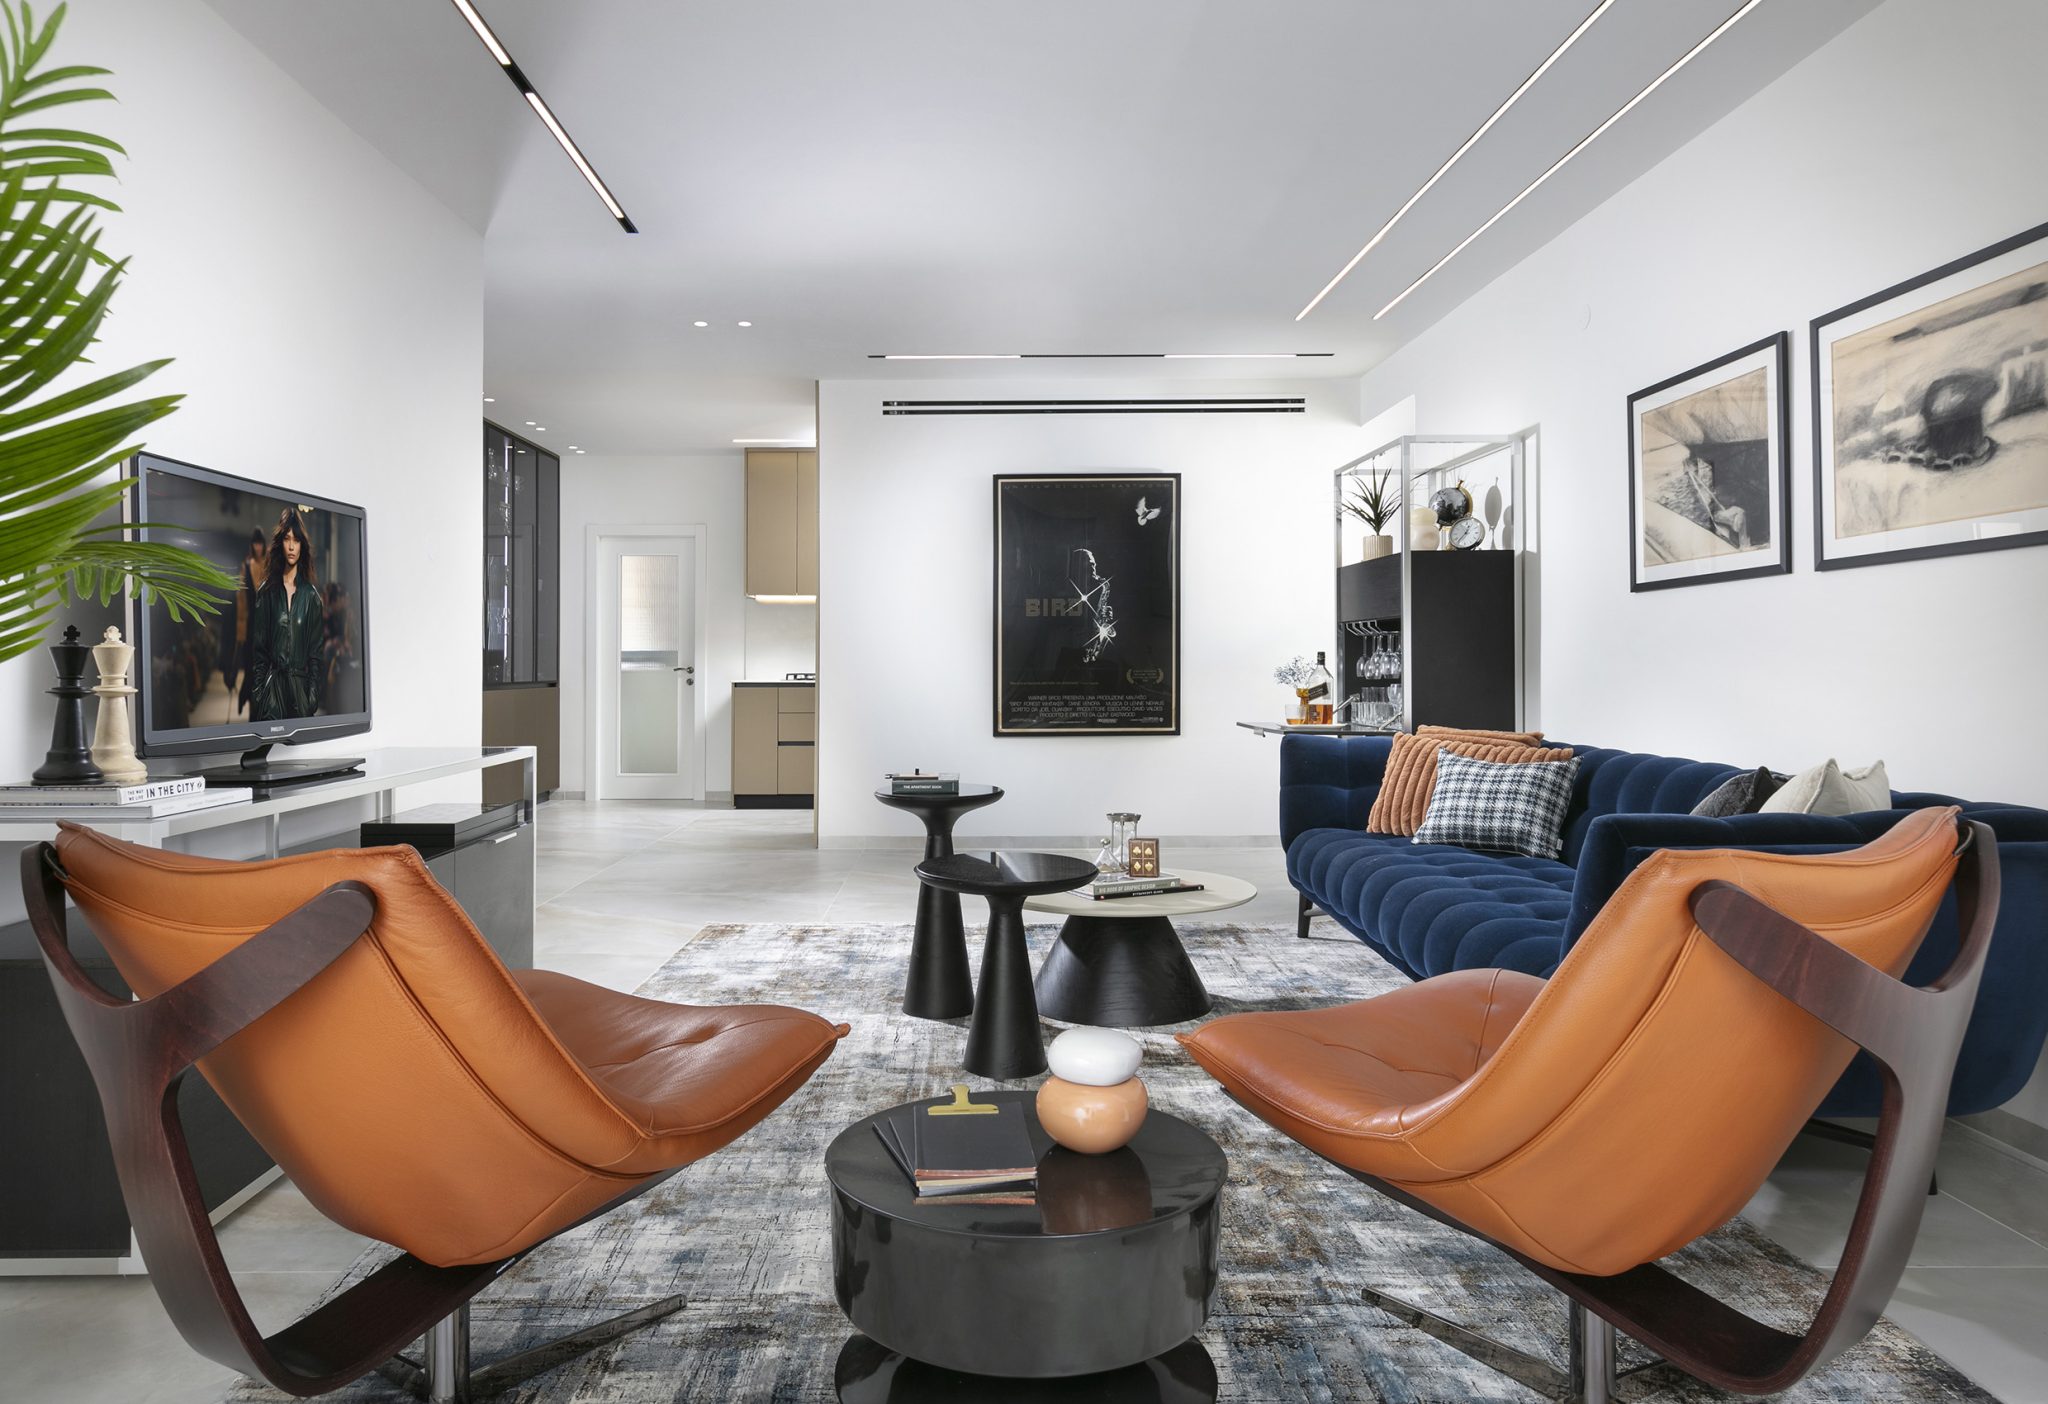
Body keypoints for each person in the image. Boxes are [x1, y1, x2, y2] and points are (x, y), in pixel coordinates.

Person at [246, 508, 325, 721]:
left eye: (296, 540)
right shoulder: (267, 592)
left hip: (301, 698)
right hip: (272, 695)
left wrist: (311, 700)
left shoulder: (311, 597)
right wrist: (260, 697)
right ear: (280, 543)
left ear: (302, 546)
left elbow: (316, 657)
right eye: (287, 539)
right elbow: (259, 652)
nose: (291, 546)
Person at [1681, 455, 1750, 549]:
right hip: (1712, 514)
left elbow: (1711, 498)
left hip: (1715, 512)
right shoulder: (1702, 486)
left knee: (1739, 513)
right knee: (1739, 513)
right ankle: (1743, 544)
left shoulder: (1709, 485)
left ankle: (1744, 544)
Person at [232, 528, 267, 711]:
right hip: (250, 622)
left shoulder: (269, 566)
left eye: (260, 544)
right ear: (252, 545)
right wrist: (240, 630)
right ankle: (250, 701)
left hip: (266, 623)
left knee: (263, 666)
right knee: (250, 666)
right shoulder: (246, 566)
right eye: (256, 543)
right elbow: (241, 599)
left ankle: (256, 702)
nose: (258, 547)